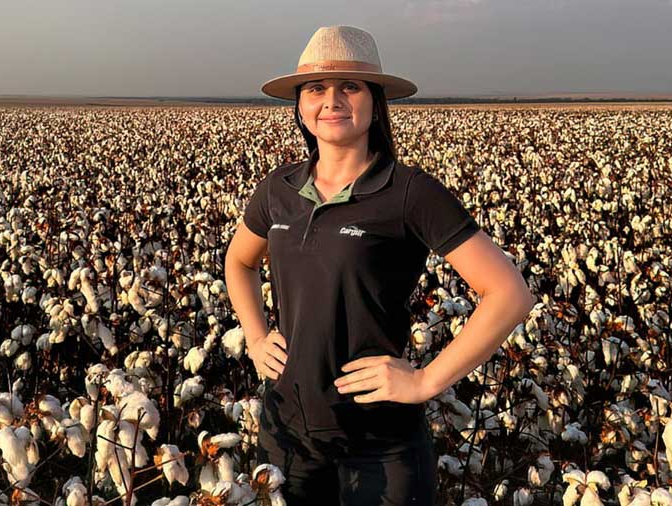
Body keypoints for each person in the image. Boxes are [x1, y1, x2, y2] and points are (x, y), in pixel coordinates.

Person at [224, 25, 536, 506]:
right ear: (300, 107)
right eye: (315, 89)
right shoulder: (277, 190)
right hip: (285, 432)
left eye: (349, 86)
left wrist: (426, 380)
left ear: (376, 102)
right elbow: (239, 262)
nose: (331, 100)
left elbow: (509, 293)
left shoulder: (410, 192)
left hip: (379, 443)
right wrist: (256, 333)